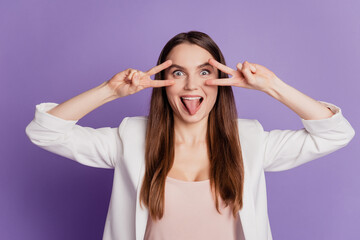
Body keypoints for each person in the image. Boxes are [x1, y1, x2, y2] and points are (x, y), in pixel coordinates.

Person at [25, 31, 355, 240]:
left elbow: (335, 134)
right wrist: (109, 91)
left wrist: (271, 86)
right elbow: (45, 131)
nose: (192, 86)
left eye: (205, 72)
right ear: (163, 82)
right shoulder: (130, 138)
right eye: (178, 73)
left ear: (221, 80)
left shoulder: (250, 141)